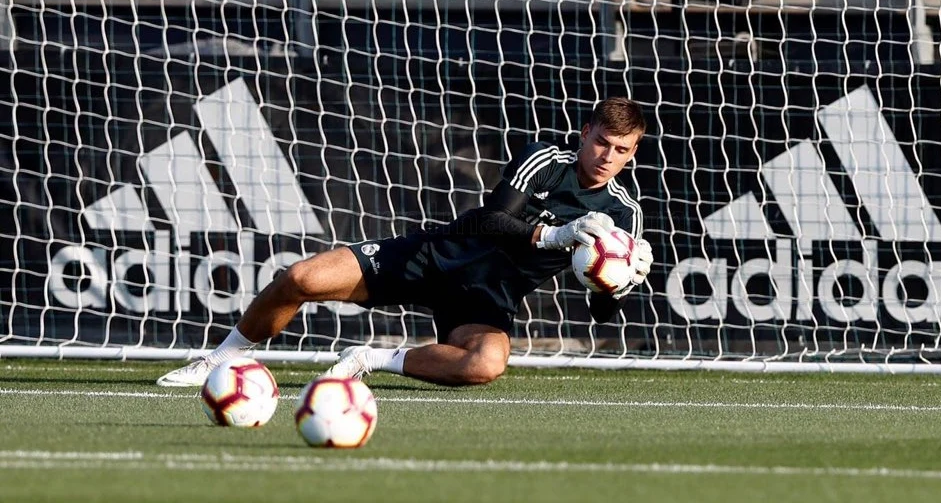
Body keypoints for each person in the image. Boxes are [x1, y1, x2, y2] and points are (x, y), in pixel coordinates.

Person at [156, 96, 653, 387]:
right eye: (601, 142)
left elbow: (601, 314)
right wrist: (555, 235)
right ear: (585, 133)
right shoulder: (546, 159)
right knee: (299, 278)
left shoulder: (623, 214)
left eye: (622, 149)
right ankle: (221, 359)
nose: (608, 155)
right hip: (433, 256)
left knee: (485, 364)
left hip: (485, 299)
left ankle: (372, 358)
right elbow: (491, 219)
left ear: (633, 153)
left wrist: (619, 281)